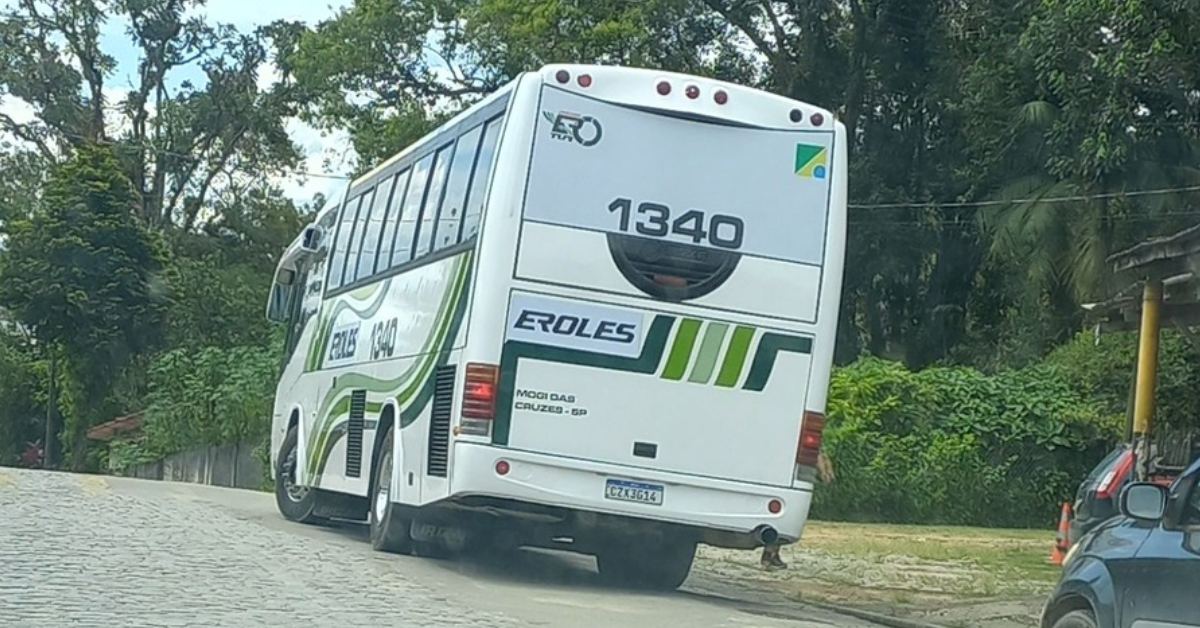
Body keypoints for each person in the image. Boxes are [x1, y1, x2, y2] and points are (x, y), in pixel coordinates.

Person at [761, 450, 835, 570]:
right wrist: (825, 472)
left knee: (780, 519)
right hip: (792, 479)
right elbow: (817, 454)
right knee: (783, 519)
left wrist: (827, 469)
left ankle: (771, 554)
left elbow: (821, 454)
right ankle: (770, 554)